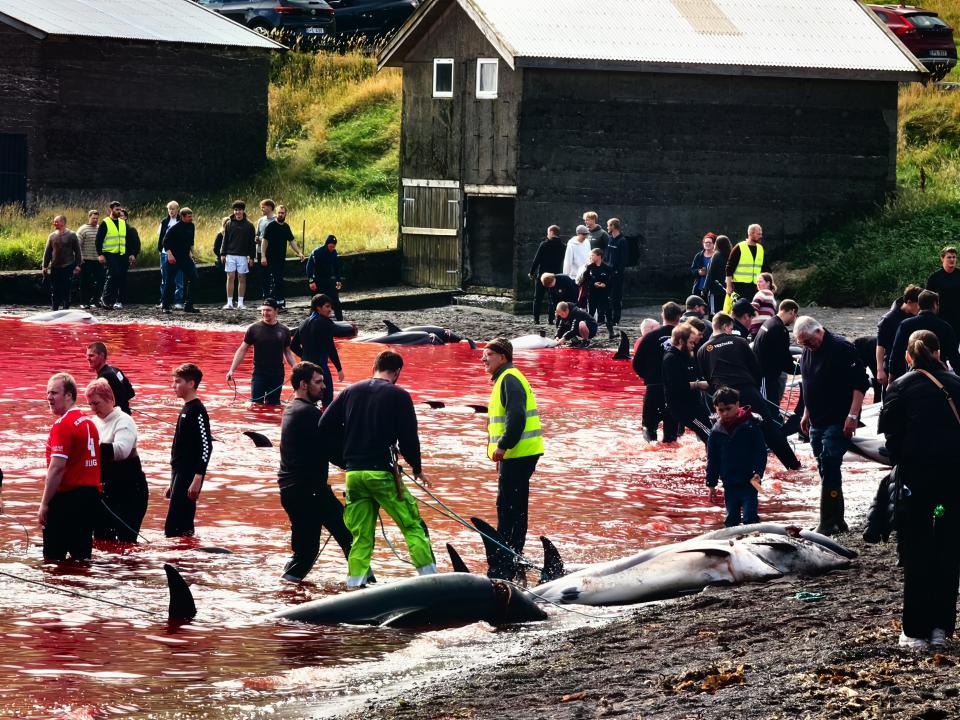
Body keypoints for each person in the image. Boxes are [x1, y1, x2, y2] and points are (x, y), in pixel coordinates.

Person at [318, 350, 436, 588]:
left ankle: (354, 585)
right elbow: (409, 438)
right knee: (411, 524)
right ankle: (431, 581)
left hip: (353, 475)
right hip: (382, 473)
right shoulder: (399, 395)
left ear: (375, 366)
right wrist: (417, 468)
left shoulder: (350, 391)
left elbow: (323, 426)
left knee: (361, 535)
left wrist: (343, 459)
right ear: (397, 372)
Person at [878, 330, 960, 650]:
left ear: (909, 357)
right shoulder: (957, 384)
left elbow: (891, 442)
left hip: (918, 483)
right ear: (939, 353)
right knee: (947, 550)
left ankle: (915, 631)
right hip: (953, 483)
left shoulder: (899, 388)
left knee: (918, 550)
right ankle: (942, 628)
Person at [277, 361, 353, 582]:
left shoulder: (292, 408)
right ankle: (367, 589)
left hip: (293, 491)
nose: (324, 387)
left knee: (305, 553)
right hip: (310, 491)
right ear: (303, 384)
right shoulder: (308, 413)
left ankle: (285, 590)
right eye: (318, 382)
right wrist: (357, 463)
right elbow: (333, 450)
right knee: (352, 539)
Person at [796, 316, 870, 535]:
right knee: (825, 468)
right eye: (803, 343)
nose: (808, 346)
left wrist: (853, 416)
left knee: (829, 463)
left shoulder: (841, 348)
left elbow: (860, 384)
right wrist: (805, 412)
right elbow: (808, 384)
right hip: (816, 418)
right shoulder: (807, 350)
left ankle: (827, 521)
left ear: (819, 331)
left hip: (839, 417)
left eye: (810, 341)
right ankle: (838, 519)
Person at [699, 312, 801, 470]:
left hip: (722, 396)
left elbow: (707, 378)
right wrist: (754, 388)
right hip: (746, 389)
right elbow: (756, 368)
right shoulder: (739, 342)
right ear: (727, 326)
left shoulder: (703, 350)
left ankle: (721, 470)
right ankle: (793, 466)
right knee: (769, 429)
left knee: (724, 434)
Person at [481, 338, 544, 581]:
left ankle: (508, 556)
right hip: (520, 454)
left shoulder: (509, 378)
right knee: (514, 505)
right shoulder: (507, 378)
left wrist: (503, 446)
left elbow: (516, 418)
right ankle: (513, 554)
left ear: (503, 357)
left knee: (508, 506)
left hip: (519, 453)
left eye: (488, 354)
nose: (483, 358)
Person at [39, 372, 101, 561]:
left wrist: (44, 503)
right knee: (82, 557)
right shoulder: (88, 421)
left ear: (68, 395)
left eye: (54, 393)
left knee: (53, 560)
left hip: (68, 499)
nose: (49, 397)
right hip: (90, 498)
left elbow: (57, 468)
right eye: (48, 393)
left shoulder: (63, 425)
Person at [85, 378, 147, 542]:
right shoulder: (94, 422)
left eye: (96, 403)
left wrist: (91, 448)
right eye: (90, 404)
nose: (93, 408)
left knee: (125, 541)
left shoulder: (124, 420)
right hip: (106, 491)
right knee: (101, 539)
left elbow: (122, 450)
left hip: (130, 491)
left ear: (110, 399)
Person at [705, 386, 766, 527]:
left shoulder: (751, 425)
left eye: (728, 408)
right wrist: (711, 484)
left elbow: (760, 451)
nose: (725, 413)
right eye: (721, 410)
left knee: (750, 517)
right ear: (715, 409)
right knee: (731, 519)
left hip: (750, 481)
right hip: (729, 482)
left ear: (738, 404)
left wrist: (758, 472)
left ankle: (754, 542)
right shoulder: (716, 431)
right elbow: (712, 459)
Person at [165, 363, 212, 538]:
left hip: (189, 474)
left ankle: (182, 560)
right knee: (177, 525)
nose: (173, 386)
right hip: (179, 473)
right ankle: (185, 558)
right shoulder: (186, 408)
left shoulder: (197, 410)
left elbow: (206, 446)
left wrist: (198, 478)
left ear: (191, 384)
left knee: (175, 526)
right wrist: (172, 481)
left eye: (178, 382)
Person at [226, 298, 296, 405]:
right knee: (256, 404)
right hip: (259, 373)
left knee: (273, 404)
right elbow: (242, 350)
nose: (265, 313)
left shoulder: (284, 330)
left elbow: (287, 352)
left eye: (268, 310)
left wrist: (295, 368)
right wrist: (232, 370)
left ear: (276, 311)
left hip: (277, 373)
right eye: (263, 310)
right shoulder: (253, 329)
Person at [633, 302, 683, 442]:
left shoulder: (649, 337)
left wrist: (649, 377)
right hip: (675, 390)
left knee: (649, 429)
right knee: (672, 434)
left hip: (653, 388)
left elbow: (636, 364)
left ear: (662, 316)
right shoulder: (684, 338)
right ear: (679, 317)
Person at [889, 290, 960, 381]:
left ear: (919, 305)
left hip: (913, 377)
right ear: (935, 304)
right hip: (939, 378)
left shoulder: (905, 325)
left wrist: (891, 380)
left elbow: (896, 354)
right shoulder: (945, 326)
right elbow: (954, 358)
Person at [290, 294, 345, 408]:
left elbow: (293, 346)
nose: (330, 310)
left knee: (305, 401)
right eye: (327, 307)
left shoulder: (303, 323)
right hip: (320, 368)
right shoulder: (325, 323)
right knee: (327, 402)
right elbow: (331, 348)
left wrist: (305, 357)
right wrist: (339, 369)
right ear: (318, 308)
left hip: (304, 368)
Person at [662, 323, 712, 444]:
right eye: (691, 342)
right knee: (709, 434)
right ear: (680, 341)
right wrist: (698, 384)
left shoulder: (687, 356)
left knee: (712, 431)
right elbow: (676, 386)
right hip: (682, 407)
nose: (693, 346)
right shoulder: (671, 358)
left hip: (693, 404)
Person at [753, 299, 800, 407]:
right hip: (765, 375)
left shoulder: (770, 322)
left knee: (772, 404)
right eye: (795, 315)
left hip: (764, 371)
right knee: (767, 407)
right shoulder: (779, 329)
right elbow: (783, 357)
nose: (794, 320)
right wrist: (799, 369)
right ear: (792, 311)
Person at [876, 284, 922, 394]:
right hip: (893, 365)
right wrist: (880, 370)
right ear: (909, 302)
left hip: (912, 365)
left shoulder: (916, 316)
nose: (920, 308)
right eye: (918, 305)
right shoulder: (888, 319)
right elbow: (880, 346)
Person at [261, 204, 305, 310]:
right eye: (279, 213)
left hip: (281, 258)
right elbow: (264, 241)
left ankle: (278, 301)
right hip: (271, 257)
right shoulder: (271, 226)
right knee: (275, 279)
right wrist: (263, 256)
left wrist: (299, 252)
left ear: (285, 214)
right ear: (276, 213)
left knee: (279, 279)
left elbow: (292, 241)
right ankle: (273, 301)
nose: (280, 215)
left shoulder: (286, 227)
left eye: (282, 213)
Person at [96, 201, 137, 310]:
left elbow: (128, 240)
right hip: (109, 253)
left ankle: (111, 301)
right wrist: (100, 254)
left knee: (119, 276)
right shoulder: (105, 223)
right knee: (113, 274)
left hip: (122, 254)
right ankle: (105, 299)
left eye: (120, 209)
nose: (119, 211)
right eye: (116, 209)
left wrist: (132, 253)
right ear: (111, 210)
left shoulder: (123, 223)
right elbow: (98, 240)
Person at [160, 207, 201, 314]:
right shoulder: (174, 228)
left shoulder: (192, 226)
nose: (191, 218)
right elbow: (165, 242)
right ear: (182, 217)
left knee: (194, 278)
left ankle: (189, 305)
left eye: (191, 216)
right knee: (170, 281)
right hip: (174, 257)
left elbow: (191, 242)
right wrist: (169, 255)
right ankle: (165, 305)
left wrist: (192, 254)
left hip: (185, 257)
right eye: (189, 216)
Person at [220, 200, 256, 310]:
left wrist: (252, 257)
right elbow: (225, 240)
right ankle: (229, 302)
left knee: (242, 278)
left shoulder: (249, 226)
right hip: (230, 254)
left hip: (243, 256)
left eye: (239, 210)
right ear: (233, 211)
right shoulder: (229, 224)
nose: (237, 212)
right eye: (235, 210)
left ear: (243, 210)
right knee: (230, 277)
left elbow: (251, 243)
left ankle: (240, 302)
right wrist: (223, 253)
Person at [41, 215, 81, 311]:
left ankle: (66, 307)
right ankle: (54, 308)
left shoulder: (72, 235)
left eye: (56, 222)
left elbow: (78, 251)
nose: (54, 223)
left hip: (68, 266)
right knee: (55, 289)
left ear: (63, 222)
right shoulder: (52, 236)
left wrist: (78, 265)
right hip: (55, 266)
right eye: (54, 222)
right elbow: (47, 252)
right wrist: (44, 266)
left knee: (66, 288)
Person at [528, 225, 565, 326]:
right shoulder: (563, 246)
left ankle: (536, 319)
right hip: (555, 276)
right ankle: (551, 320)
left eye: (548, 232)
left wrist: (531, 272)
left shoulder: (544, 244)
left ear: (552, 232)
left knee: (538, 298)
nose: (547, 234)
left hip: (543, 275)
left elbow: (537, 259)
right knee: (552, 298)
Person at [85, 341, 135, 415]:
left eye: (91, 356)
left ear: (101, 356)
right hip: (126, 415)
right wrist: (122, 402)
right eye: (87, 356)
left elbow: (99, 405)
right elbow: (131, 393)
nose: (87, 358)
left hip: (115, 418)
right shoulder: (116, 371)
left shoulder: (103, 378)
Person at [725, 223, 767, 301]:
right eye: (758, 234)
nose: (761, 236)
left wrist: (771, 284)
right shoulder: (739, 247)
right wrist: (729, 286)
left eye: (761, 234)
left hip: (755, 286)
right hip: (739, 287)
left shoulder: (760, 248)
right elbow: (729, 268)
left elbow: (766, 268)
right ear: (751, 233)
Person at [307, 235, 344, 321]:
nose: (332, 248)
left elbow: (336, 267)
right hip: (317, 281)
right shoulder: (316, 252)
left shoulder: (334, 253)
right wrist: (311, 281)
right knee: (316, 304)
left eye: (333, 247)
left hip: (329, 280)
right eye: (330, 246)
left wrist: (338, 280)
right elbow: (309, 267)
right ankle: (310, 321)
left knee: (336, 301)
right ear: (326, 244)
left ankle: (340, 320)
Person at [581, 248, 615, 339]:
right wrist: (593, 284)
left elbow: (611, 280)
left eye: (593, 255)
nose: (591, 257)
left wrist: (605, 284)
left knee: (607, 311)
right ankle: (589, 332)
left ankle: (611, 332)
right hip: (593, 293)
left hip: (604, 293)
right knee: (590, 312)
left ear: (599, 256)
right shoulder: (589, 267)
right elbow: (585, 280)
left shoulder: (607, 268)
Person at [926, 246, 960, 337]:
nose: (952, 259)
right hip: (942, 317)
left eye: (954, 257)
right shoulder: (934, 277)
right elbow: (927, 299)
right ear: (942, 258)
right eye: (949, 257)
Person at [157, 200, 184, 310]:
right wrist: (161, 250)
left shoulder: (181, 222)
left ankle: (178, 301)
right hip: (164, 253)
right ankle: (164, 300)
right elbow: (160, 236)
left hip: (178, 253)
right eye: (169, 209)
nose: (171, 211)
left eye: (173, 209)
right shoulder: (164, 222)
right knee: (165, 278)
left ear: (177, 210)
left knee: (179, 278)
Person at [77, 209, 103, 309]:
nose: (95, 220)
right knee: (85, 282)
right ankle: (84, 302)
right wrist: (80, 257)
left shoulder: (100, 228)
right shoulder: (83, 229)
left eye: (97, 218)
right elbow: (77, 244)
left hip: (97, 259)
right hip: (86, 259)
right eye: (93, 218)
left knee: (101, 279)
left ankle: (95, 300)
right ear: (89, 217)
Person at [605, 218, 628, 324]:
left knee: (616, 297)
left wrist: (617, 272)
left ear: (613, 226)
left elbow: (623, 260)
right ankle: (608, 317)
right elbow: (607, 256)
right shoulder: (610, 239)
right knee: (607, 296)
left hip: (617, 275)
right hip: (608, 273)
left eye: (608, 225)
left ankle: (616, 319)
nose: (607, 227)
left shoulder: (622, 241)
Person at [704, 235, 731, 316]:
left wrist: (705, 290)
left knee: (714, 315)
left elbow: (710, 274)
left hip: (715, 291)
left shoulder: (716, 255)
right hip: (726, 291)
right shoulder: (730, 256)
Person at [256, 199, 277, 300]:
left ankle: (272, 294)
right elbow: (257, 234)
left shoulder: (276, 220)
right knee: (262, 275)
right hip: (260, 251)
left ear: (269, 207)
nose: (262, 209)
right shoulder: (261, 220)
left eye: (264, 207)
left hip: (271, 252)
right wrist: (257, 239)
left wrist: (262, 240)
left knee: (272, 274)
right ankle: (265, 294)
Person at [750, 272, 777, 338]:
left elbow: (753, 307)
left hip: (757, 328)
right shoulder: (772, 298)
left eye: (760, 281)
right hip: (767, 327)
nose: (758, 284)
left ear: (768, 283)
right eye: (757, 282)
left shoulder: (762, 292)